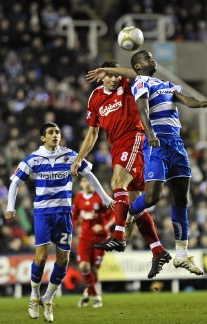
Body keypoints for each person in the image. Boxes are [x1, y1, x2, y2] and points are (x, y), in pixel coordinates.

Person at [86, 51, 207, 275]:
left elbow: (185, 99)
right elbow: (142, 108)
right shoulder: (139, 82)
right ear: (139, 66)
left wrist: (200, 103)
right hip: (155, 143)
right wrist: (150, 133)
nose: (153, 60)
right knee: (152, 197)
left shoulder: (166, 84)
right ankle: (128, 216)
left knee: (181, 199)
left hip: (176, 144)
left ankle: (181, 254)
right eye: (148, 58)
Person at [5, 123, 114, 323]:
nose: (55, 135)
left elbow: (89, 174)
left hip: (64, 213)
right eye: (50, 132)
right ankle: (34, 294)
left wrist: (105, 197)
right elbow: (15, 182)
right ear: (42, 138)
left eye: (57, 132)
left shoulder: (71, 155)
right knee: (41, 257)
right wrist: (10, 207)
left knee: (63, 260)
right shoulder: (33, 159)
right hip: (43, 214)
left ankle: (48, 299)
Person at [71, 61, 171, 279]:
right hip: (116, 145)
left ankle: (118, 235)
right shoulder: (95, 98)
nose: (114, 79)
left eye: (115, 75)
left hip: (134, 137)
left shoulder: (126, 85)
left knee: (117, 183)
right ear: (102, 78)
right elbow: (92, 134)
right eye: (109, 76)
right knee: (135, 205)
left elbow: (134, 74)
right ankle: (158, 250)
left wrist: (114, 71)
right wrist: (79, 158)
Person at [72, 176, 114, 308]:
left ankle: (88, 292)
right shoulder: (78, 198)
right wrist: (74, 227)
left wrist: (105, 226)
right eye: (84, 181)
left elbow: (114, 213)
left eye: (89, 181)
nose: (87, 184)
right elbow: (74, 216)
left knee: (94, 269)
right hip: (84, 237)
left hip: (100, 237)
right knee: (84, 266)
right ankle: (96, 296)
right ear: (81, 184)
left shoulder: (101, 196)